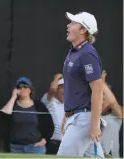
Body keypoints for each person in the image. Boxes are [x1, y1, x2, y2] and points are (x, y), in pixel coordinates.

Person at [57, 12, 105, 157]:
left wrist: (94, 125)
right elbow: (76, 89)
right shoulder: (74, 52)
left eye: (72, 23)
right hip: (78, 118)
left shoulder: (87, 53)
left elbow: (97, 90)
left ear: (83, 30)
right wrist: (67, 114)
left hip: (83, 120)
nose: (68, 25)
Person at [1, 77, 54, 154]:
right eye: (20, 87)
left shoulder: (39, 106)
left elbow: (49, 125)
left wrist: (44, 140)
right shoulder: (12, 105)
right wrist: (13, 97)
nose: (23, 89)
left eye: (25, 86)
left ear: (30, 89)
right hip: (16, 148)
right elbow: (4, 115)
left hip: (35, 147)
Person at [100, 70, 123, 157]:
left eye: (104, 96)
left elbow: (112, 102)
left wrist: (101, 83)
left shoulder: (116, 116)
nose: (102, 100)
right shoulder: (90, 115)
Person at [41, 73, 64, 154]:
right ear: (57, 89)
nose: (65, 90)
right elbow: (52, 89)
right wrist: (56, 78)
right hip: (52, 143)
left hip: (65, 143)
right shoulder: (49, 100)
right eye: (62, 88)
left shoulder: (69, 104)